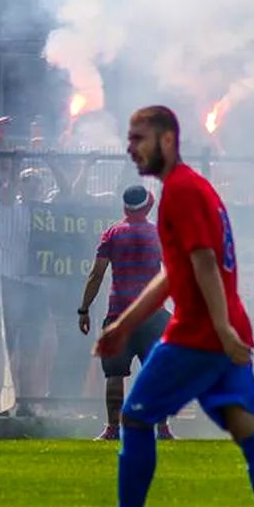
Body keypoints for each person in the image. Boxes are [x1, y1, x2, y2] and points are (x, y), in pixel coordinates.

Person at [68, 106, 254, 507]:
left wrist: (220, 330)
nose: (131, 149)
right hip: (223, 328)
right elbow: (175, 273)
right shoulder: (195, 187)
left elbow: (204, 262)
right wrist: (125, 323)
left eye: (138, 139)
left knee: (133, 416)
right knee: (248, 429)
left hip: (199, 333)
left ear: (167, 140)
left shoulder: (182, 192)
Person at [79, 185, 174, 442]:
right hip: (153, 315)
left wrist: (84, 309)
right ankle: (162, 428)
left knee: (114, 374)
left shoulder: (112, 234)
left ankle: (112, 429)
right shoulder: (158, 234)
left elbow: (96, 274)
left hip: (119, 315)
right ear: (148, 205)